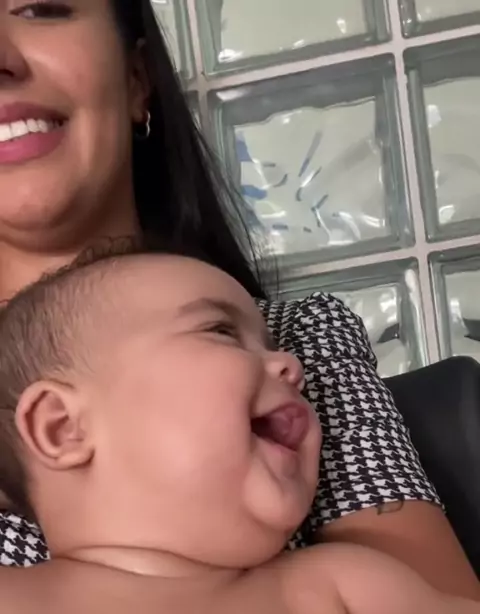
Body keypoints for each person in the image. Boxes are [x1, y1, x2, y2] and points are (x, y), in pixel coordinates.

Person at [0, 0, 477, 598]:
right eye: (220, 332)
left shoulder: (295, 345)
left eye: (41, 8)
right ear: (56, 425)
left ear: (136, 78)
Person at [0, 250, 478, 614]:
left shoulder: (338, 586)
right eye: (221, 331)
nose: (290, 365)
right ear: (62, 427)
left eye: (270, 343)